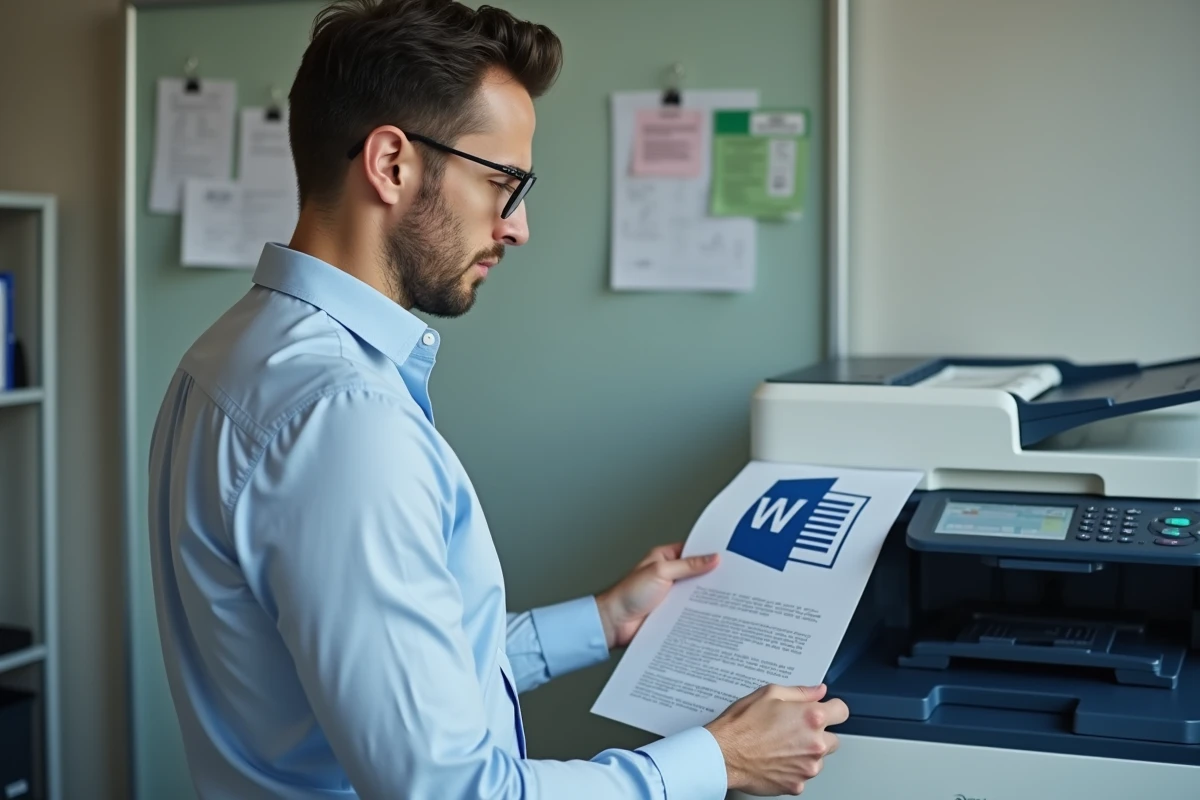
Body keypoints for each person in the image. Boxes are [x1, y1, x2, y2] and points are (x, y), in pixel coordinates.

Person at [146, 0, 849, 798]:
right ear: (391, 164)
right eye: (501, 183)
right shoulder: (342, 422)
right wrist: (715, 761)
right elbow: (451, 789)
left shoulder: (231, 352)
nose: (517, 227)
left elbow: (388, 686)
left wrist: (601, 619)